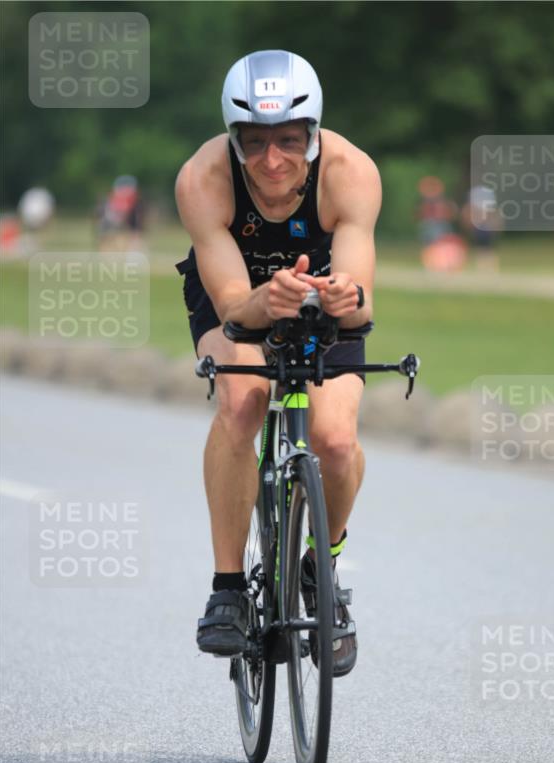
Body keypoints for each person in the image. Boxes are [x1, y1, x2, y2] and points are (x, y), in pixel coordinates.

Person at [174, 50, 381, 674]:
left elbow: (359, 300)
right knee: (242, 402)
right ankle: (228, 591)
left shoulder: (351, 172)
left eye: (290, 140)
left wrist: (342, 298)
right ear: (233, 139)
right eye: (255, 141)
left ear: (313, 135)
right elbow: (235, 308)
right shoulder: (201, 178)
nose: (272, 160)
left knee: (336, 440)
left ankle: (322, 568)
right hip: (234, 295)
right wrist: (264, 300)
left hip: (319, 296)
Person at [97, 175, 144, 250]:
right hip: (115, 218)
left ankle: (133, 247)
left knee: (133, 231)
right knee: (107, 232)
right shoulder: (116, 196)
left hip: (124, 218)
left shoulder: (130, 198)